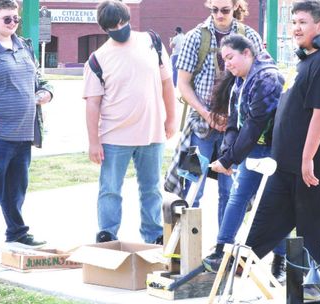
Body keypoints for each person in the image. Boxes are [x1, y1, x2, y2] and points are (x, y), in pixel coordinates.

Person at [245, 0, 320, 269]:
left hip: (315, 166)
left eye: (303, 22)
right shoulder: (310, 58)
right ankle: (236, 270)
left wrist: (308, 158)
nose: (296, 28)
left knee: (316, 234)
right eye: (293, 22)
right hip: (288, 165)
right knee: (264, 225)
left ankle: (317, 287)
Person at [197, 34, 289, 283]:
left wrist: (229, 161)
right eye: (223, 59)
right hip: (253, 151)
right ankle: (221, 251)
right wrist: (227, 155)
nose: (227, 64)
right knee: (237, 198)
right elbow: (234, 123)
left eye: (230, 57)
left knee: (273, 208)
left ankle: (282, 261)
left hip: (274, 151)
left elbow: (255, 125)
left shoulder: (268, 78)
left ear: (247, 53)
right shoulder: (240, 81)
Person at [83, 0, 176, 244]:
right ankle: (107, 234)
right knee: (110, 189)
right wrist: (94, 142)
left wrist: (171, 119)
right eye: (114, 26)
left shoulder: (151, 41)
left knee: (151, 188)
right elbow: (92, 103)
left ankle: (154, 234)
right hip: (114, 136)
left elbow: (167, 82)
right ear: (105, 29)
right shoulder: (97, 59)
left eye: (123, 22)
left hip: (152, 133)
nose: (120, 28)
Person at [164, 0, 264, 228]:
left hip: (236, 128)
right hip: (200, 127)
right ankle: (185, 248)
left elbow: (262, 77)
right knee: (191, 188)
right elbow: (184, 84)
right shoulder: (195, 37)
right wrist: (207, 114)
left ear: (236, 7)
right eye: (214, 10)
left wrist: (234, 117)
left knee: (230, 193)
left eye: (225, 10)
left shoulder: (249, 36)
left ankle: (222, 248)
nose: (219, 15)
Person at [0, 0, 53, 249]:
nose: (13, 23)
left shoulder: (24, 46)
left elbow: (41, 80)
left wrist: (47, 92)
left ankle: (17, 232)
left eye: (16, 19)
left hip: (25, 133)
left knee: (17, 190)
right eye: (7, 19)